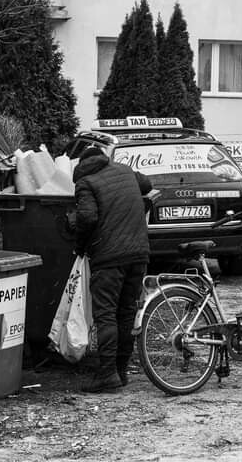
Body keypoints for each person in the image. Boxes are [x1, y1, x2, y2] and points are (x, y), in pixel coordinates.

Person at [73, 146, 152, 393]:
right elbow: (147, 184)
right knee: (126, 312)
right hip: (139, 253)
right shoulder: (125, 170)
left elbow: (87, 218)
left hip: (109, 257)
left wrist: (79, 244)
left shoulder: (85, 182)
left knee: (106, 313)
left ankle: (107, 374)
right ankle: (121, 371)